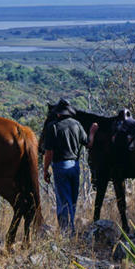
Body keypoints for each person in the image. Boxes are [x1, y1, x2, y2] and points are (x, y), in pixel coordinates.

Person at [42, 98, 96, 234]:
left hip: (60, 167)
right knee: (72, 199)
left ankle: (67, 233)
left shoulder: (52, 127)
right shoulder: (77, 125)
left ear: (58, 114)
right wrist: (93, 132)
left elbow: (49, 152)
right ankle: (70, 229)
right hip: (75, 167)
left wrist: (45, 170)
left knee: (63, 201)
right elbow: (89, 144)